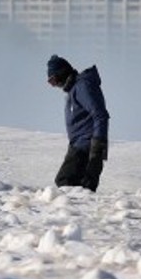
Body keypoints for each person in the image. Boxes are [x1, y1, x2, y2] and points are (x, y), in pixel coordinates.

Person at [46, 54, 110, 192]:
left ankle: (76, 212)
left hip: (87, 146)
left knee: (65, 182)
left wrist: (97, 146)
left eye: (53, 80)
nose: (55, 85)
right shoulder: (75, 89)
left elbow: (100, 114)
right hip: (79, 145)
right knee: (81, 188)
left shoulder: (82, 87)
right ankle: (80, 212)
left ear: (62, 74)